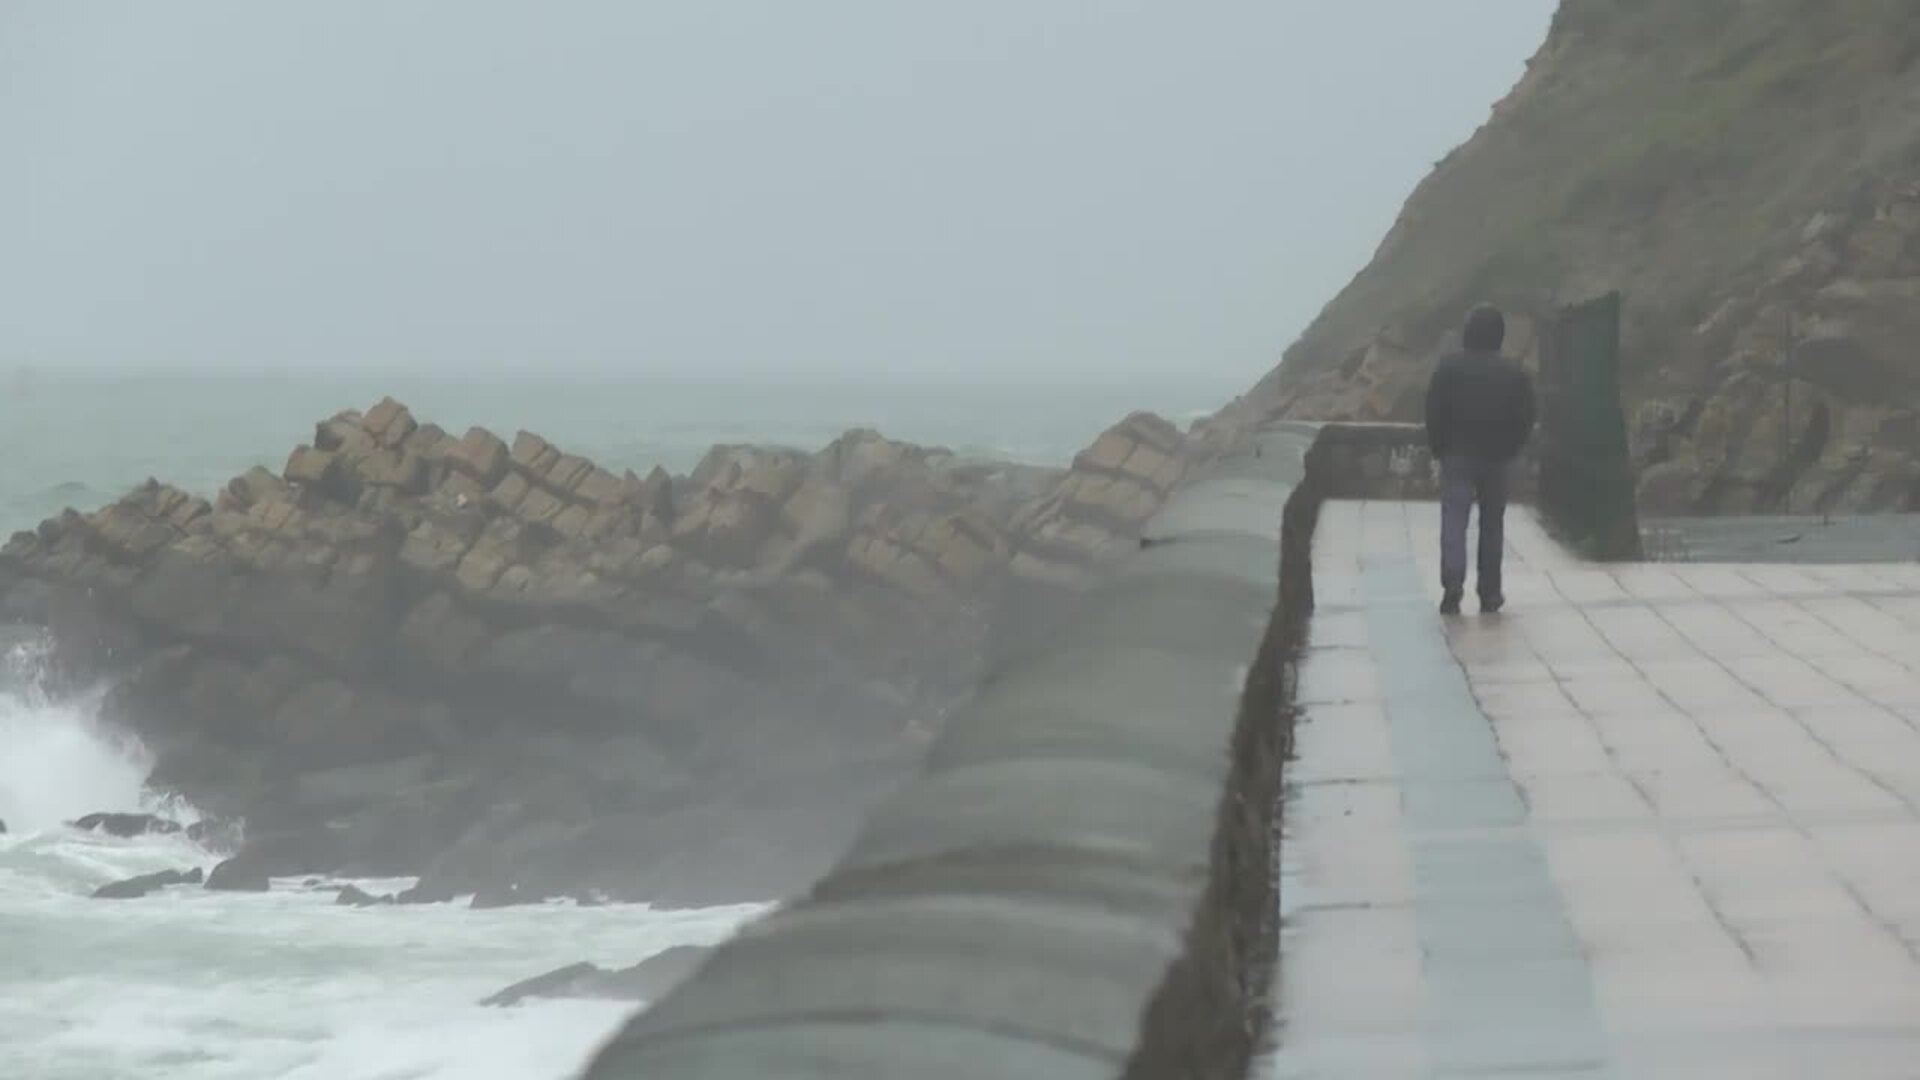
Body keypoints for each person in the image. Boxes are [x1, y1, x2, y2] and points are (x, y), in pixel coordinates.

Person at [1424, 304, 1535, 615]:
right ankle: (1490, 592)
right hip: (1497, 458)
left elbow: (1433, 412)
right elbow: (1526, 417)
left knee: (1454, 519)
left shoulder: (1448, 369)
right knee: (1492, 526)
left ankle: (1452, 583)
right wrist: (1512, 447)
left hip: (1456, 455)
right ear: (1499, 335)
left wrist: (1439, 449)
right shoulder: (1513, 373)